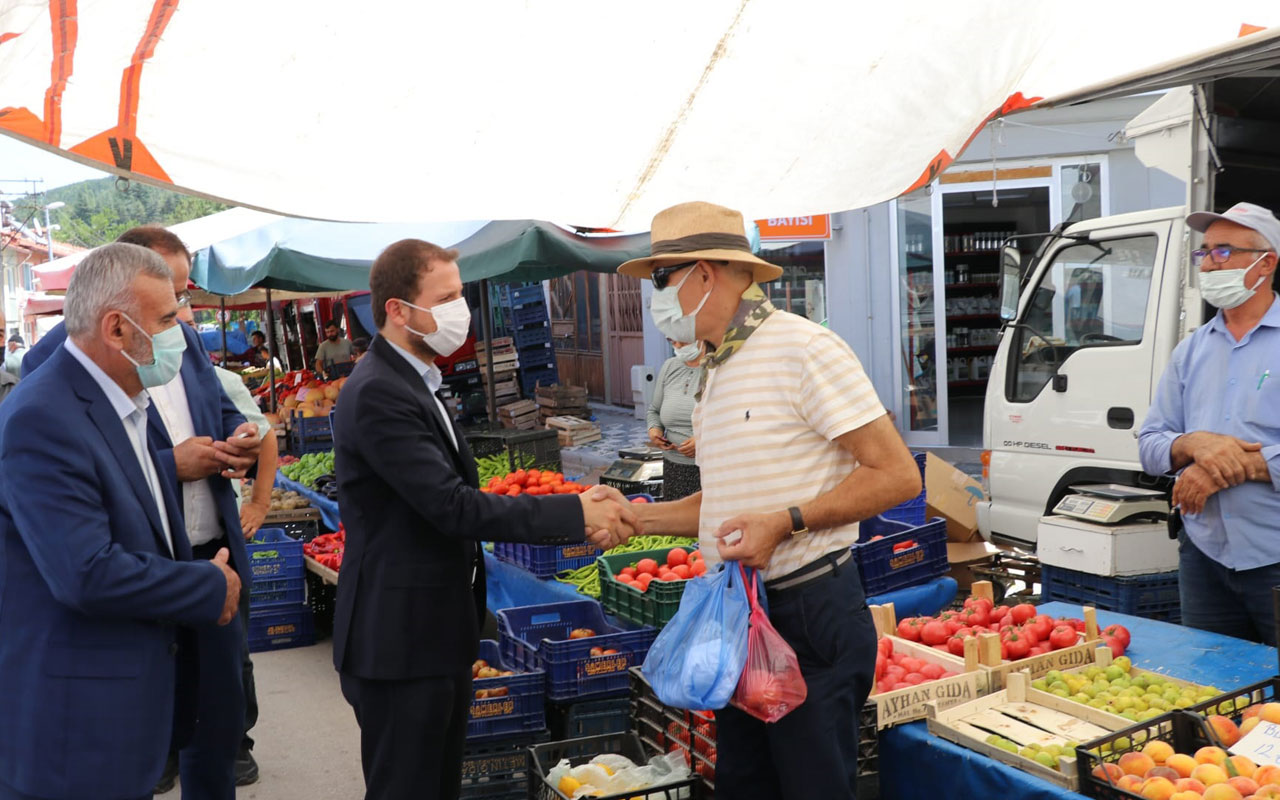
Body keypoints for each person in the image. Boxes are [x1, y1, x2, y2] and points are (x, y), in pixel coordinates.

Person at [618, 202, 922, 800]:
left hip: (807, 613)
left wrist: (787, 523)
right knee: (746, 784)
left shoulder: (805, 350)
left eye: (661, 278)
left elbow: (896, 476)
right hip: (738, 616)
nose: (657, 297)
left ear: (704, 275)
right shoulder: (716, 367)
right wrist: (638, 519)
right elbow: (727, 501)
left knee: (810, 787)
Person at [331, 238, 640, 800]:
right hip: (399, 639)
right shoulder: (379, 391)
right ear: (398, 310)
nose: (460, 312)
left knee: (438, 782)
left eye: (460, 296)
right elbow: (452, 506)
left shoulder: (416, 380)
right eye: (445, 298)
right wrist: (574, 509)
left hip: (434, 631)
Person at [24, 225, 265, 796]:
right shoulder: (51, 394)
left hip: (203, 556)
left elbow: (212, 407)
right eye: (167, 309)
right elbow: (86, 558)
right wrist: (169, 465)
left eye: (183, 297)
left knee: (212, 721)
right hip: (131, 594)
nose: (182, 318)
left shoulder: (158, 363)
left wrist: (236, 438)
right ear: (116, 322)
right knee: (141, 746)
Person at [1139, 201, 1280, 645]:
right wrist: (1195, 444)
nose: (1209, 264)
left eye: (1223, 252)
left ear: (1265, 262)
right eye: (1203, 253)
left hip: (1273, 556)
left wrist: (1223, 467)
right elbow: (1149, 444)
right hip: (1203, 556)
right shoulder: (1192, 350)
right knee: (1213, 688)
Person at [646, 340, 704, 500]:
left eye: (683, 341)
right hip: (673, 468)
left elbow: (731, 421)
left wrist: (702, 440)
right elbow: (654, 411)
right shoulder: (670, 366)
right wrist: (654, 430)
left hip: (707, 470)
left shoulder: (717, 369)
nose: (677, 346)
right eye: (672, 341)